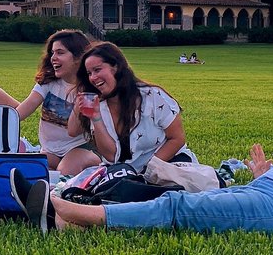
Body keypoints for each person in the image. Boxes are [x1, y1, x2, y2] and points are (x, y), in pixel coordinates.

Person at [48, 77, 273, 234]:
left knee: (179, 209)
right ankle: (81, 222)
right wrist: (264, 175)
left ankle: (87, 215)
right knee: (181, 201)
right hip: (269, 194)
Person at [67, 41, 196, 172]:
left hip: (169, 165)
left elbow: (177, 139)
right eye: (89, 73)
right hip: (126, 174)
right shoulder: (98, 106)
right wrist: (95, 118)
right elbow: (111, 157)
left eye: (97, 70)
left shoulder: (151, 96)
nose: (93, 77)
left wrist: (148, 171)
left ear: (116, 67)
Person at [14, 29, 100, 173]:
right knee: (33, 170)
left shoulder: (89, 91)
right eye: (52, 53)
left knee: (65, 170)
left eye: (60, 53)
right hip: (51, 150)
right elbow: (23, 110)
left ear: (79, 57)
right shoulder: (48, 83)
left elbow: (74, 131)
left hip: (81, 148)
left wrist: (82, 93)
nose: (53, 57)